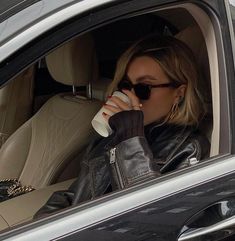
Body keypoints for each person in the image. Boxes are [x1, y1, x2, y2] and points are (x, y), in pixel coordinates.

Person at [34, 34, 210, 217]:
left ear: (178, 94)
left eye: (144, 88)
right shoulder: (114, 136)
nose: (131, 96)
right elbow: (75, 195)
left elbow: (148, 219)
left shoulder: (190, 149)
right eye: (126, 86)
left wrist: (130, 138)